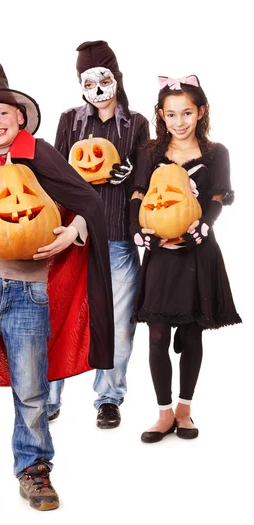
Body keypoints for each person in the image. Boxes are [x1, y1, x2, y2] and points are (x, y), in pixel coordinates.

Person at [0, 53, 114, 512]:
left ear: (20, 118)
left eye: (2, 114)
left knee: (32, 389)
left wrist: (73, 232)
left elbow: (88, 201)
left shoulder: (41, 154)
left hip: (30, 291)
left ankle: (34, 469)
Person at [130, 75, 241, 443]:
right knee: (158, 334)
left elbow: (219, 196)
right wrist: (139, 231)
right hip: (161, 254)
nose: (179, 122)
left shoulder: (215, 153)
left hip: (199, 253)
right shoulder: (149, 153)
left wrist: (203, 227)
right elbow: (139, 195)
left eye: (187, 113)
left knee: (192, 334)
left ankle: (185, 409)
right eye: (171, 114)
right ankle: (163, 414)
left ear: (201, 112)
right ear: (161, 115)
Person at [48, 40, 150, 429]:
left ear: (116, 78)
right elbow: (53, 174)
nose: (98, 88)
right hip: (75, 237)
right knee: (62, 315)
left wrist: (133, 175)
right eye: (88, 80)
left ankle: (109, 397)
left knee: (119, 322)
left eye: (104, 78)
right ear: (80, 84)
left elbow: (147, 175)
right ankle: (50, 394)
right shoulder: (69, 120)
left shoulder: (137, 123)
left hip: (120, 236)